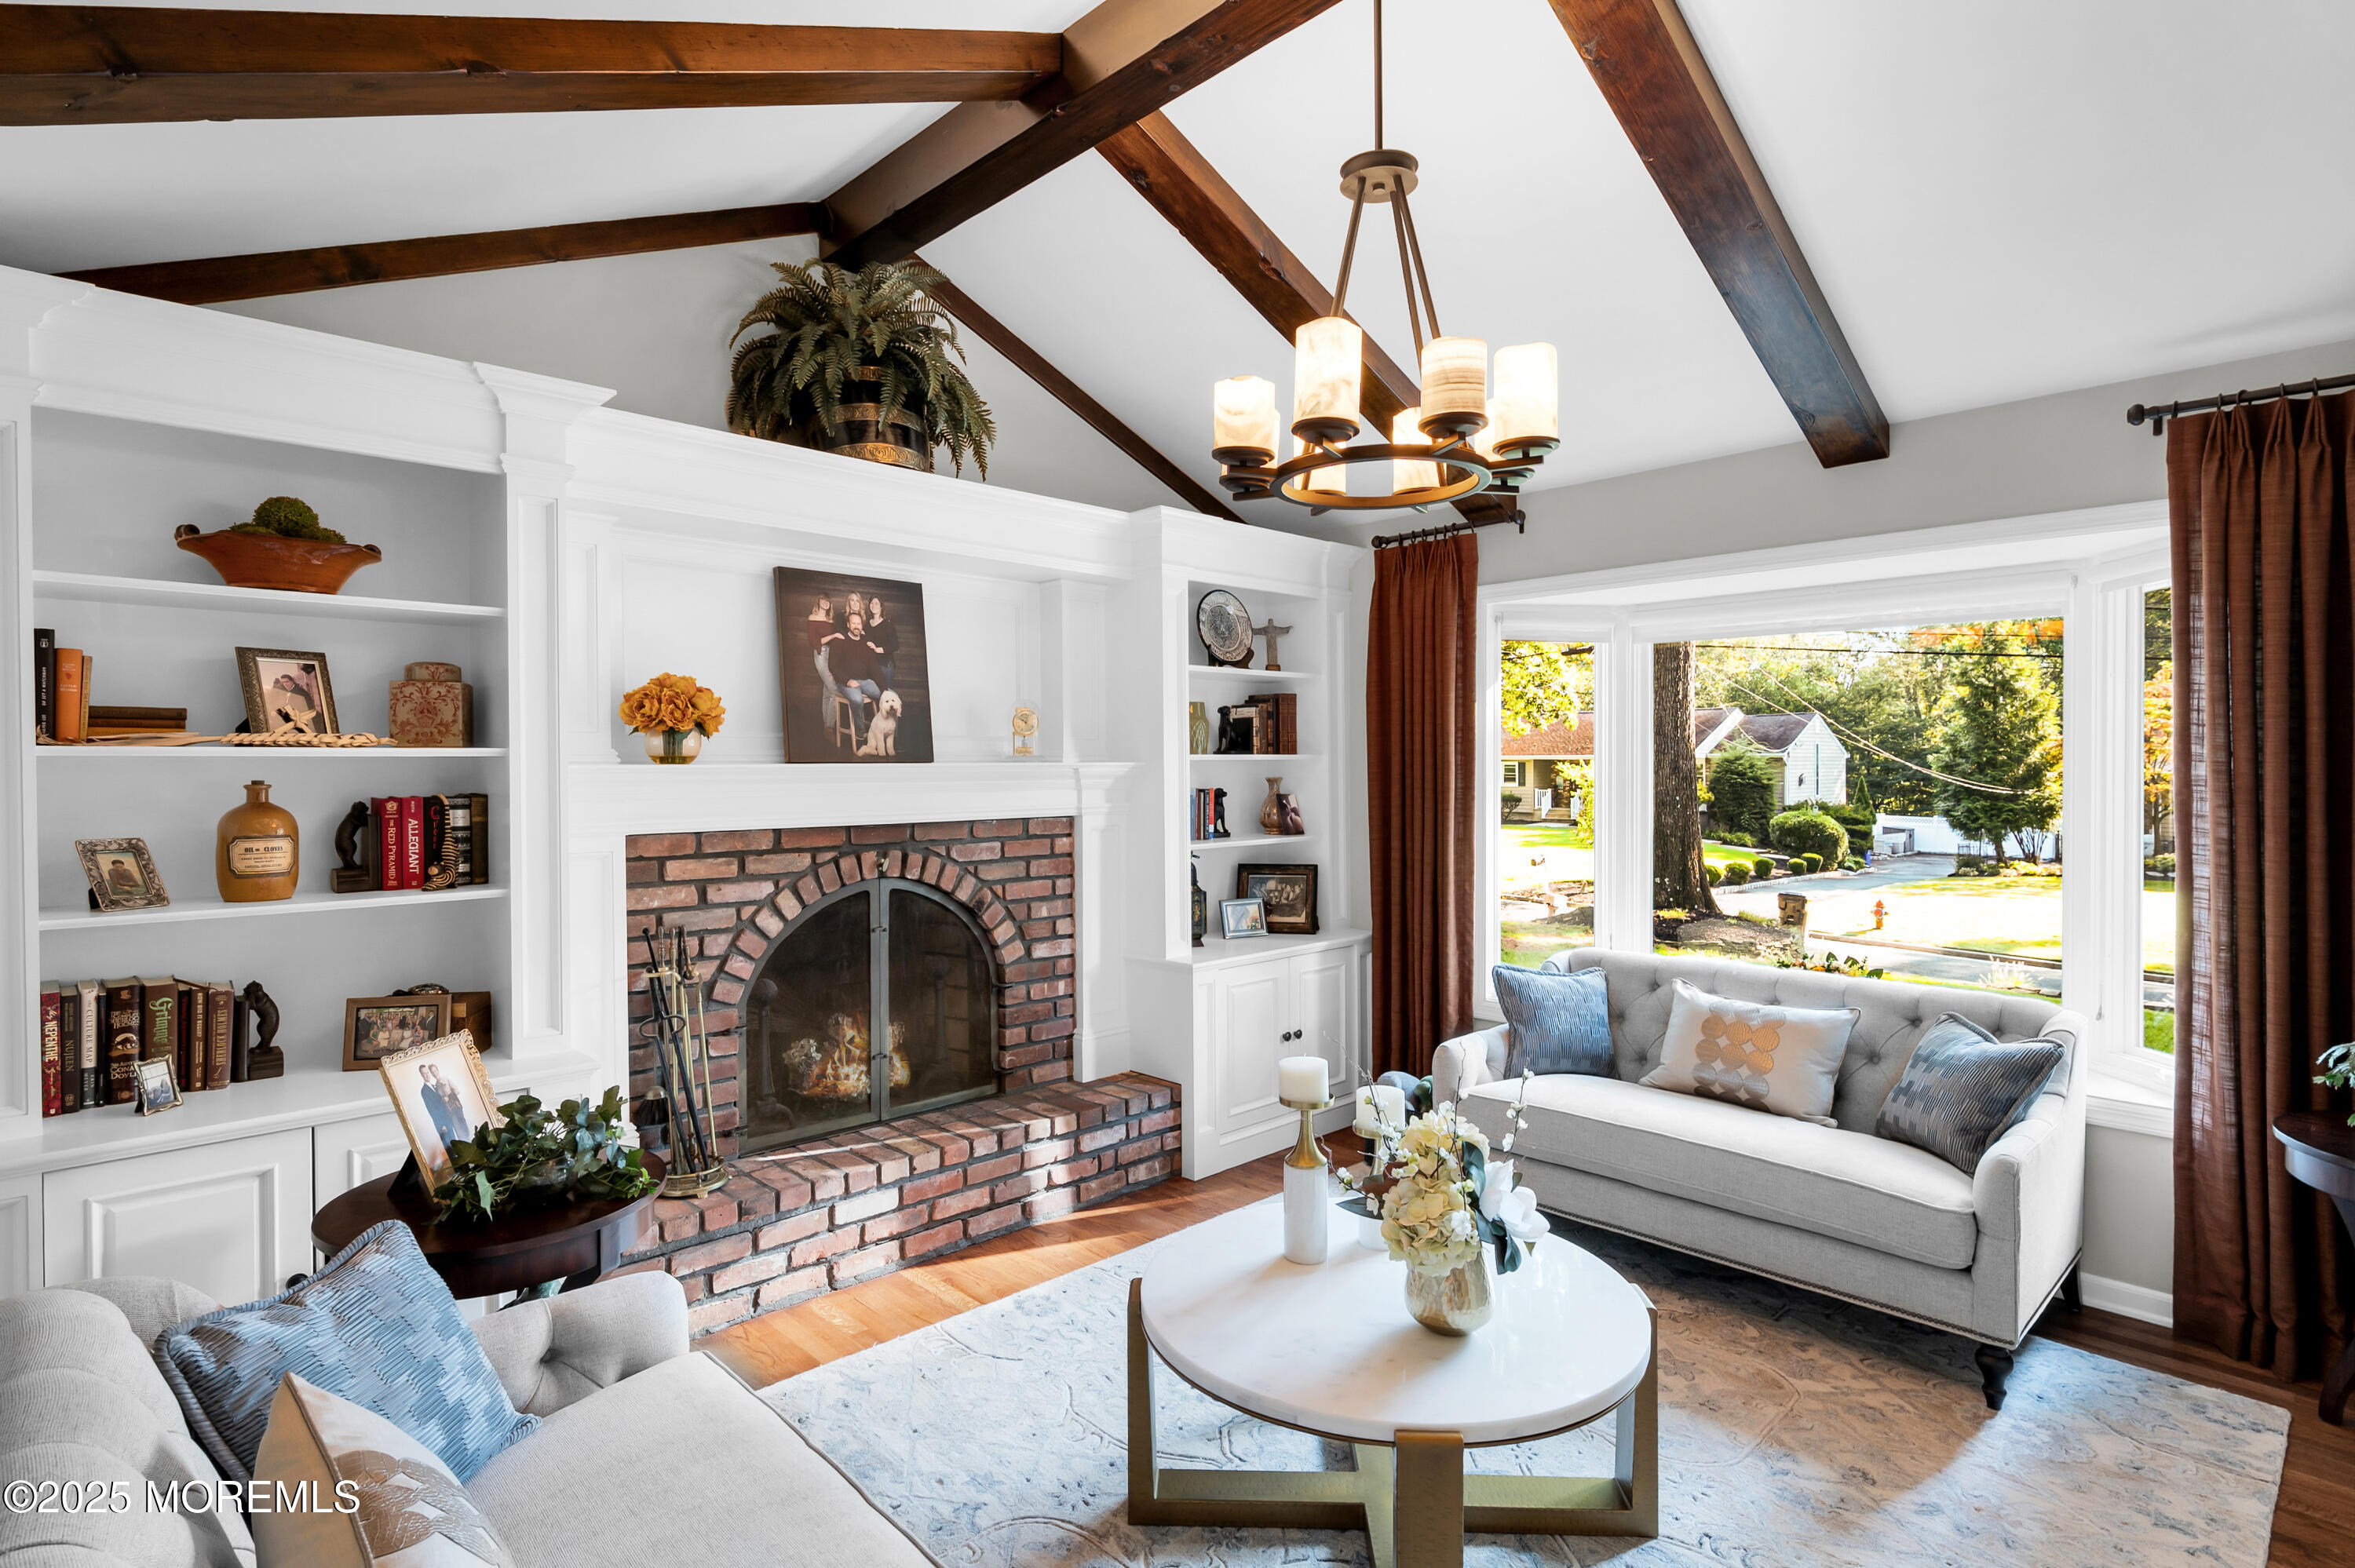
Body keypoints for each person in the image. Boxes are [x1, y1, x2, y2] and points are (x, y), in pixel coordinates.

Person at [822, 611, 887, 746]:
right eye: (854, 623)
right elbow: (832, 666)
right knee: (857, 700)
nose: (856, 626)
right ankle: (860, 730)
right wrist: (848, 681)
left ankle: (885, 732)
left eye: (859, 623)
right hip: (845, 683)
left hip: (865, 682)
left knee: (889, 696)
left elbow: (875, 669)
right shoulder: (840, 640)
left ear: (861, 626)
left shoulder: (866, 643)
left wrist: (884, 689)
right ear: (848, 625)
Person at [864, 595, 899, 689]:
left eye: (876, 603)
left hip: (885, 665)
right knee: (876, 695)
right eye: (871, 603)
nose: (874, 606)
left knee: (887, 694)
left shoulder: (887, 624)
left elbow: (895, 645)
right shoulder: (866, 624)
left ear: (881, 606)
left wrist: (878, 649)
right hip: (871, 665)